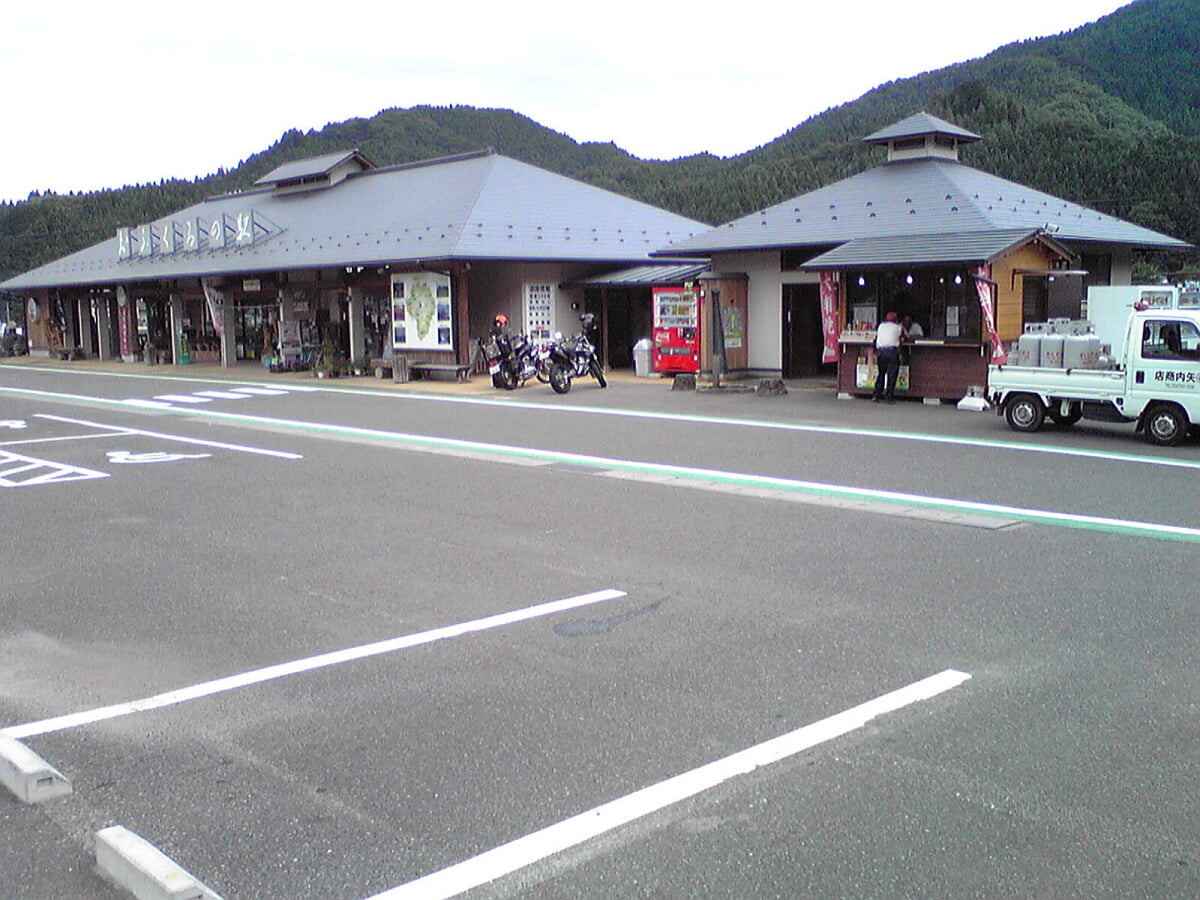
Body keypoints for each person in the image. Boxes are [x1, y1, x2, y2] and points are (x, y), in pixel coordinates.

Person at [873, 311, 903, 403]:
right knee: (892, 374)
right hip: (892, 351)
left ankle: (876, 394)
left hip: (881, 351)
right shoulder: (898, 327)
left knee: (881, 373)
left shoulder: (881, 326)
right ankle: (889, 396)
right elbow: (903, 338)